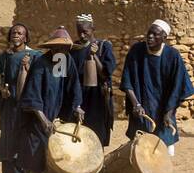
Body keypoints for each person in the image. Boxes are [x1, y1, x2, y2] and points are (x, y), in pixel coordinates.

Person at [17, 27, 84, 173]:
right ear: (52, 48)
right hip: (37, 118)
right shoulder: (41, 64)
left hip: (55, 118)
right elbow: (33, 95)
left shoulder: (66, 61)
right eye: (58, 48)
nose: (61, 51)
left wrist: (77, 106)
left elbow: (72, 88)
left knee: (51, 156)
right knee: (35, 155)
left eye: (65, 48)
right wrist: (44, 119)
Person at [120, 20, 194, 157]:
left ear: (164, 38)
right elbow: (127, 80)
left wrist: (169, 112)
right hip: (141, 107)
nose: (150, 37)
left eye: (155, 34)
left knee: (164, 151)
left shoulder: (173, 56)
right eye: (149, 33)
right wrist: (136, 104)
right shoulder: (136, 51)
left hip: (164, 108)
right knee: (140, 149)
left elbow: (179, 86)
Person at [0, 23, 38, 173]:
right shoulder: (5, 57)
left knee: (26, 143)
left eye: (20, 33)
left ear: (26, 37)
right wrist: (3, 89)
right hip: (10, 108)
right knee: (8, 143)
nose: (16, 35)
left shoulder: (34, 56)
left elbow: (39, 79)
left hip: (27, 107)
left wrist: (28, 66)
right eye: (13, 33)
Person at [70, 14, 116, 147]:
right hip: (79, 98)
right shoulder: (73, 49)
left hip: (97, 100)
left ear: (93, 29)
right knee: (78, 137)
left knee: (96, 137)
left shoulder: (103, 46)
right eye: (79, 32)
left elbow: (105, 74)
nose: (82, 36)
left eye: (85, 32)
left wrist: (94, 56)